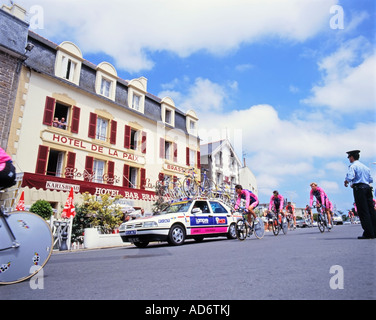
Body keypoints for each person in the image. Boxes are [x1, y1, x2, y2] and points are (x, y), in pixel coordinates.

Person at [344, 150, 376, 239]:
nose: (349, 159)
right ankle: (374, 231)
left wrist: (346, 181)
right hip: (367, 188)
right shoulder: (366, 167)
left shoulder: (353, 166)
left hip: (359, 189)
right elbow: (370, 180)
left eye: (349, 157)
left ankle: (368, 233)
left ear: (352, 157)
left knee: (363, 211)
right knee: (371, 210)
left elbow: (350, 177)